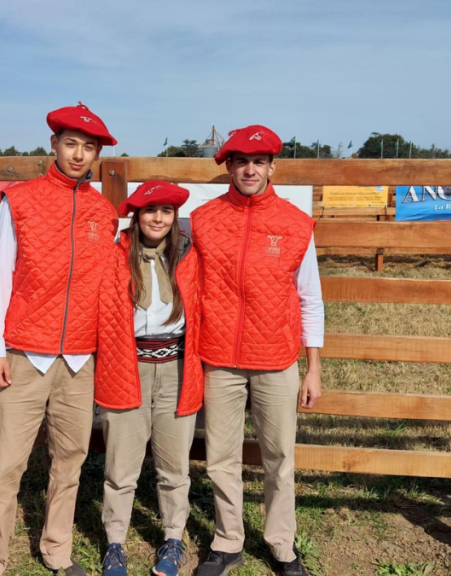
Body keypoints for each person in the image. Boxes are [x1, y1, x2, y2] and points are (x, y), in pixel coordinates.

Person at [0, 102, 119, 576]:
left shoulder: (104, 211)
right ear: (54, 145)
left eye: (89, 147)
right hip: (24, 354)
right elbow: (1, 276)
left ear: (97, 154)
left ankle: (56, 549)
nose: (79, 154)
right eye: (71, 144)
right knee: (6, 465)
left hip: (80, 360)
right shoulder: (19, 200)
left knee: (71, 461)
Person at [190, 125, 325, 576]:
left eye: (259, 161)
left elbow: (310, 297)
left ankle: (281, 544)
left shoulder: (294, 223)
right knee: (220, 457)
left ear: (271, 167)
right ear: (229, 165)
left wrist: (314, 367)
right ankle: (228, 541)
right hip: (220, 358)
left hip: (276, 359)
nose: (250, 169)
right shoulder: (206, 219)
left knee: (280, 457)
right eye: (241, 161)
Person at [94, 181, 203, 576]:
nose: (158, 218)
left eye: (166, 211)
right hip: (127, 365)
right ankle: (115, 543)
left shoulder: (189, 257)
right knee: (121, 465)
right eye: (149, 210)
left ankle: (174, 538)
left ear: (175, 218)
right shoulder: (113, 256)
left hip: (175, 366)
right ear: (136, 215)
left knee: (174, 465)